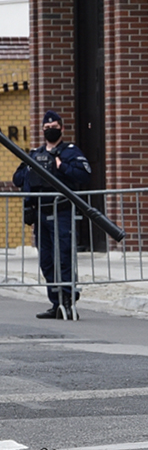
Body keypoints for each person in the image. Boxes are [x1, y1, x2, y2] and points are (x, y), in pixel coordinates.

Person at [12, 110, 91, 320]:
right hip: (40, 214)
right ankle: (55, 303)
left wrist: (60, 166)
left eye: (54, 127)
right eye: (47, 128)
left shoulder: (70, 152)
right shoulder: (35, 154)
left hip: (61, 212)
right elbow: (17, 178)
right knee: (46, 260)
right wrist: (31, 168)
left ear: (62, 128)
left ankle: (68, 300)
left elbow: (84, 175)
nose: (50, 130)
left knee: (63, 256)